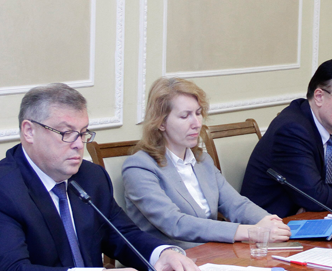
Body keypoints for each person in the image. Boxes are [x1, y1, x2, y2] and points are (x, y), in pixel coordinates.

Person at [0, 83, 205, 271]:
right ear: (29, 131)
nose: (79, 144)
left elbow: (123, 235)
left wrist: (163, 253)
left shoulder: (90, 176)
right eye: (66, 133)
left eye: (83, 132)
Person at [122, 77, 288, 249]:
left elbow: (236, 205)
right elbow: (175, 223)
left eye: (198, 113)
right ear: (161, 123)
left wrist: (272, 223)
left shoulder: (202, 161)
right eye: (185, 116)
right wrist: (250, 231)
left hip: (213, 252)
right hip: (172, 258)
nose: (196, 123)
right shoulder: (139, 167)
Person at [240, 59, 332, 217]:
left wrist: (326, 199)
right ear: (319, 97)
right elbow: (316, 196)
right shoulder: (291, 130)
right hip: (275, 223)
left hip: (319, 216)